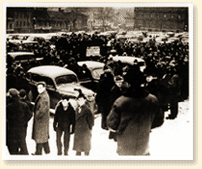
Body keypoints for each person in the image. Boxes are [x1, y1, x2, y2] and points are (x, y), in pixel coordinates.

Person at [107, 65, 164, 156]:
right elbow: (159, 121)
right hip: (143, 143)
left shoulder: (120, 101)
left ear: (128, 83)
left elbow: (111, 125)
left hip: (125, 145)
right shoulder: (152, 100)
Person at [6, 88, 32, 155]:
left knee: (13, 149)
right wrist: (24, 122)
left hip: (11, 131)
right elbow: (29, 115)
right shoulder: (24, 105)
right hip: (22, 129)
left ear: (11, 96)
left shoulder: (8, 107)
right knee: (23, 145)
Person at [73, 89, 94, 156]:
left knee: (86, 148)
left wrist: (90, 130)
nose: (80, 101)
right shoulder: (77, 109)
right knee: (78, 149)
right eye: (79, 100)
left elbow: (91, 122)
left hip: (85, 131)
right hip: (78, 131)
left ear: (85, 100)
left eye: (81, 100)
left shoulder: (87, 110)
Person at [32, 82, 50, 155]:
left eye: (40, 88)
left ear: (44, 88)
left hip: (41, 120)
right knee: (42, 135)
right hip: (43, 120)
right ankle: (47, 150)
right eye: (38, 88)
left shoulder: (44, 97)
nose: (39, 89)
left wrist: (36, 115)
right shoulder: (43, 95)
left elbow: (42, 109)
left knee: (39, 136)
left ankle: (38, 152)